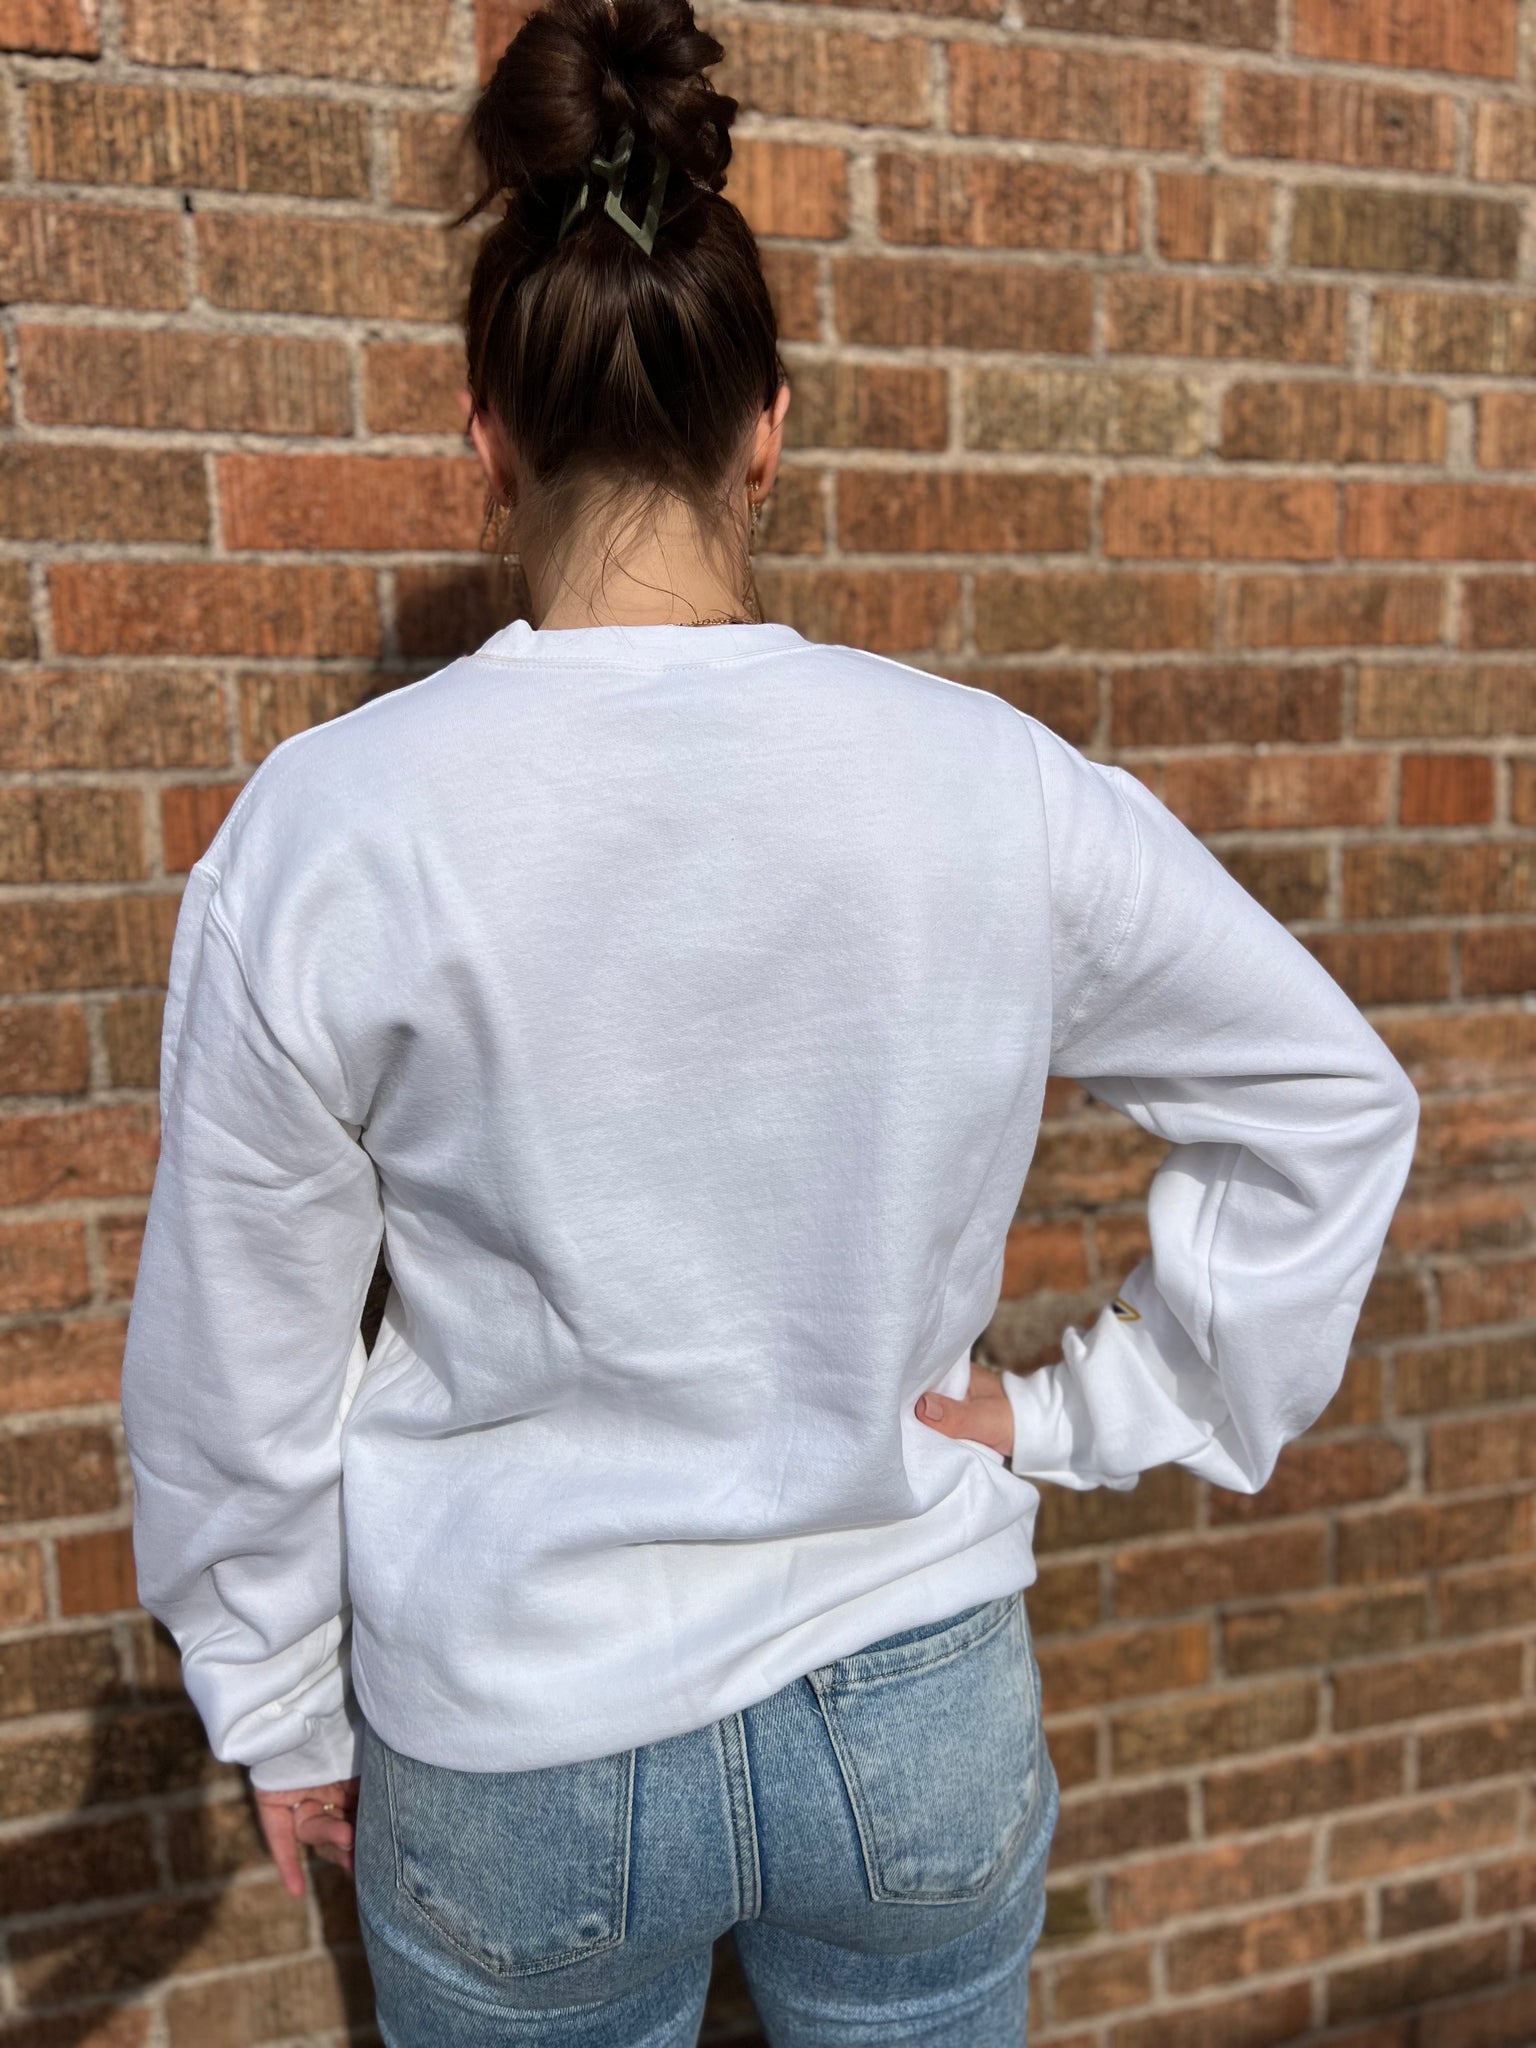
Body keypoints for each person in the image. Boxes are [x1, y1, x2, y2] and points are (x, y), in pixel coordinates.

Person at [118, 0, 1421, 2040]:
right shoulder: (991, 785)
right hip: (911, 1699)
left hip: (521, 1735)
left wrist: (273, 1691)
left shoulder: (332, 828)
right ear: (769, 433)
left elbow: (240, 1333)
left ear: (485, 433)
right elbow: (1329, 1104)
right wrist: (1086, 1416)